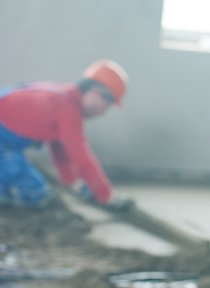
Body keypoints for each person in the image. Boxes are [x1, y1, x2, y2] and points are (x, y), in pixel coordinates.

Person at [0, 60, 133, 210]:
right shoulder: (68, 109)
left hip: (4, 140)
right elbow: (82, 158)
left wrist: (71, 181)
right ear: (95, 95)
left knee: (5, 190)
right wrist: (106, 196)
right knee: (37, 193)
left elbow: (60, 147)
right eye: (107, 106)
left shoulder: (62, 97)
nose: (103, 112)